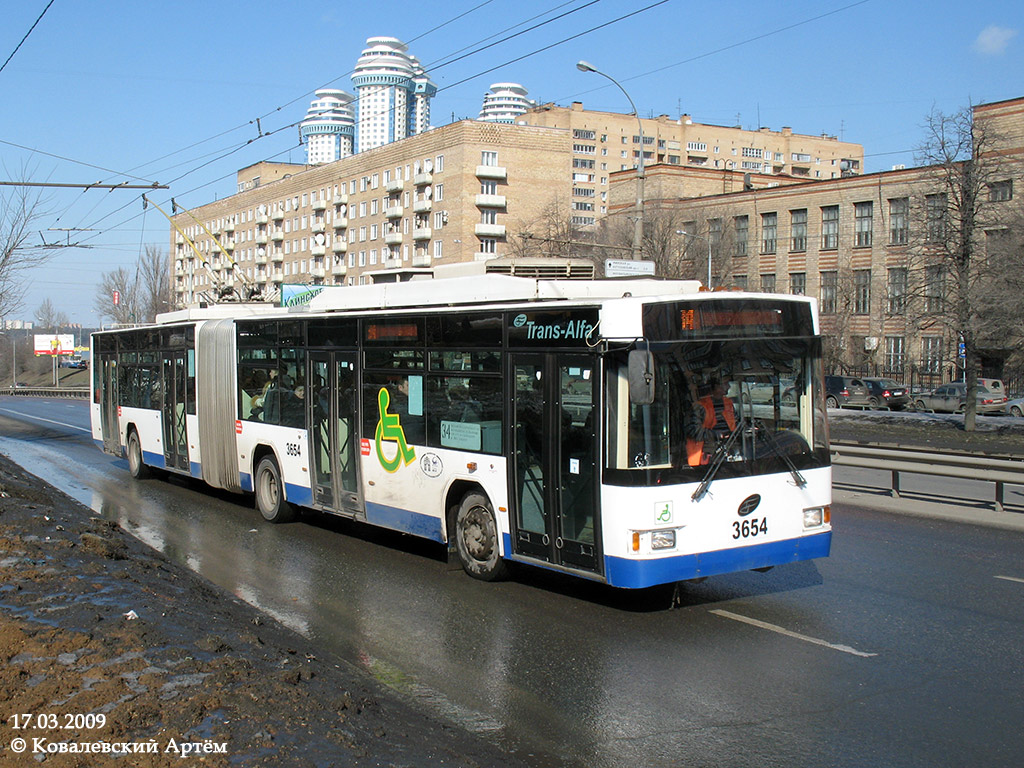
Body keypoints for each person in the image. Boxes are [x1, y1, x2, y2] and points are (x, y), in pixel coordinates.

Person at [685, 377, 737, 467]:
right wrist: (717, 435)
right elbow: (693, 431)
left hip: (728, 451)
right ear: (716, 387)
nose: (729, 386)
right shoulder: (700, 406)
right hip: (705, 459)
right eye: (725, 383)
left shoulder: (728, 403)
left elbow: (736, 422)